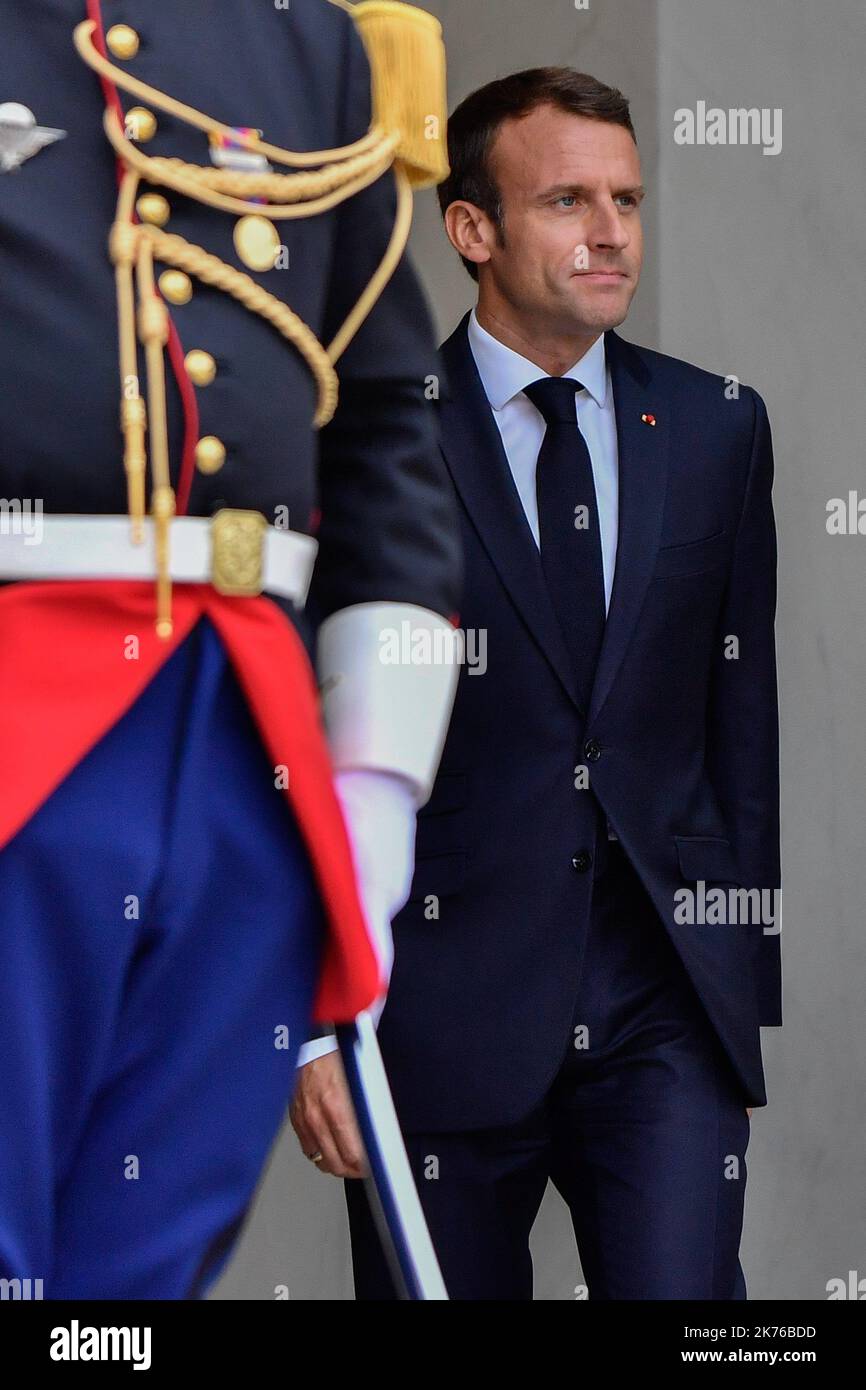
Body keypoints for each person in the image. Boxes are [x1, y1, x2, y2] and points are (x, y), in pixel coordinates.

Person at [294, 66, 782, 1300]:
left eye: (623, 197)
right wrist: (308, 1020)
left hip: (661, 1007)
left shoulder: (718, 427)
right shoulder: (367, 433)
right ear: (472, 230)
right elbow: (296, 732)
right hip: (432, 1006)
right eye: (566, 199)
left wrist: (737, 978)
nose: (609, 230)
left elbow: (740, 723)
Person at [0, 0, 460, 1298]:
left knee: (143, 1270)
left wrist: (375, 778)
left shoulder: (308, 47)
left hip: (246, 745)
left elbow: (379, 424)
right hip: (21, 712)